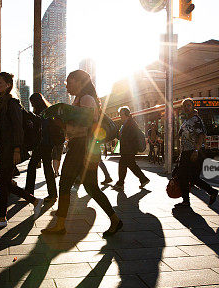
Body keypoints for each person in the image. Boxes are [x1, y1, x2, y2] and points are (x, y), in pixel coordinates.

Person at [43, 69, 122, 236]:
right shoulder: (80, 99)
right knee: (91, 187)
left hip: (82, 147)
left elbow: (87, 126)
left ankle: (60, 224)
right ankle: (115, 220)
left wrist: (63, 124)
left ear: (79, 82)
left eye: (69, 82)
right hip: (83, 147)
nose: (67, 86)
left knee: (65, 183)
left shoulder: (86, 99)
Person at [0, 72, 43, 230]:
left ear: (8, 85)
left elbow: (18, 128)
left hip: (11, 149)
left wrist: (17, 149)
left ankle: (2, 218)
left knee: (1, 181)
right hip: (4, 148)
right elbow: (4, 127)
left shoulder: (12, 103)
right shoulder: (1, 102)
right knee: (3, 182)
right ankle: (34, 201)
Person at [173, 97, 218, 209]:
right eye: (185, 106)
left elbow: (201, 135)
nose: (187, 107)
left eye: (189, 105)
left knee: (189, 177)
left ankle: (187, 201)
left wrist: (196, 150)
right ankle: (211, 192)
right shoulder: (185, 121)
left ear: (193, 106)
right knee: (189, 177)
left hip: (194, 152)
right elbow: (179, 136)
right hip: (185, 152)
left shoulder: (196, 120)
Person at [24, 92, 59, 205]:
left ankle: (29, 192)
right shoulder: (47, 111)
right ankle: (52, 194)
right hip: (47, 144)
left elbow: (42, 128)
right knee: (46, 167)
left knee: (34, 166)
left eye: (33, 103)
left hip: (42, 143)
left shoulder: (43, 113)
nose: (32, 105)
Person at [113, 107, 149, 191]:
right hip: (127, 149)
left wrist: (121, 136)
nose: (120, 116)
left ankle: (120, 183)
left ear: (126, 114)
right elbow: (123, 136)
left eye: (121, 114)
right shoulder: (126, 123)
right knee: (130, 165)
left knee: (125, 165)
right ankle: (143, 179)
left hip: (129, 149)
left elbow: (130, 136)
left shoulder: (131, 123)